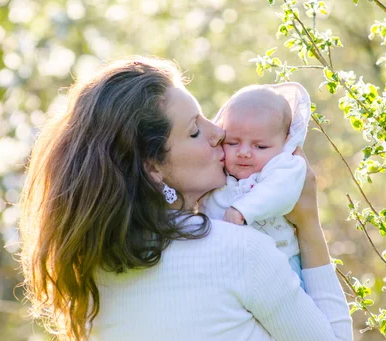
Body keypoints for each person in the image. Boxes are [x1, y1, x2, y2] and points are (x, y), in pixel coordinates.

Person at [18, 56, 353, 341]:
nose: (219, 133)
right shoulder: (240, 251)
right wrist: (308, 225)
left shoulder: (89, 275)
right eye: (195, 130)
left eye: (206, 117)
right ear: (153, 168)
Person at [202, 83, 310, 287]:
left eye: (259, 146)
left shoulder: (283, 166)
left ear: (285, 142)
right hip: (229, 267)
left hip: (282, 264)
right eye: (233, 142)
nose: (243, 152)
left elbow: (279, 192)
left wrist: (243, 209)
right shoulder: (219, 171)